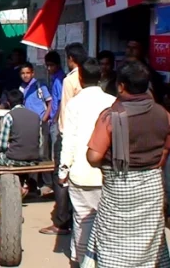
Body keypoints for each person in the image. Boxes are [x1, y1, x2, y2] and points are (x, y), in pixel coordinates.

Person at [83, 60, 170, 268]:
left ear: (121, 86)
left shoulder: (111, 116)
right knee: (149, 239)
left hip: (120, 190)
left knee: (114, 241)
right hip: (152, 189)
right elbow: (164, 152)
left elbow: (93, 157)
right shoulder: (163, 114)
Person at [59, 58, 115, 265]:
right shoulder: (112, 102)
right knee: (106, 222)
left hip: (80, 173)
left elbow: (69, 140)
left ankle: (80, 259)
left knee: (82, 221)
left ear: (80, 79)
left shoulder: (74, 104)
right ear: (100, 77)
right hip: (107, 174)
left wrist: (63, 170)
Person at [40, 43, 87, 236]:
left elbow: (65, 108)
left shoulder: (69, 80)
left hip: (68, 133)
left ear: (70, 59)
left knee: (62, 176)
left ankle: (61, 221)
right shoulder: (91, 77)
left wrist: (61, 132)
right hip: (87, 134)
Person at [0, 89, 41, 195]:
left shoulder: (9, 116)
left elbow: (3, 144)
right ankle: (24, 184)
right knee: (20, 156)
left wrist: (8, 151)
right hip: (33, 159)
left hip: (15, 158)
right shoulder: (36, 116)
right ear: (23, 101)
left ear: (9, 103)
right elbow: (40, 141)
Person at [43, 50, 65, 196]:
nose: (49, 68)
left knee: (55, 154)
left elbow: (62, 101)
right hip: (52, 119)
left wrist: (56, 118)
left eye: (51, 65)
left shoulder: (61, 79)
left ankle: (55, 185)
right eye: (47, 65)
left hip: (57, 120)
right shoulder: (53, 78)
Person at [125, 39, 166, 104]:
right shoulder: (121, 73)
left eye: (134, 48)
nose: (130, 51)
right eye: (128, 47)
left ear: (143, 52)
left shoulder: (153, 77)